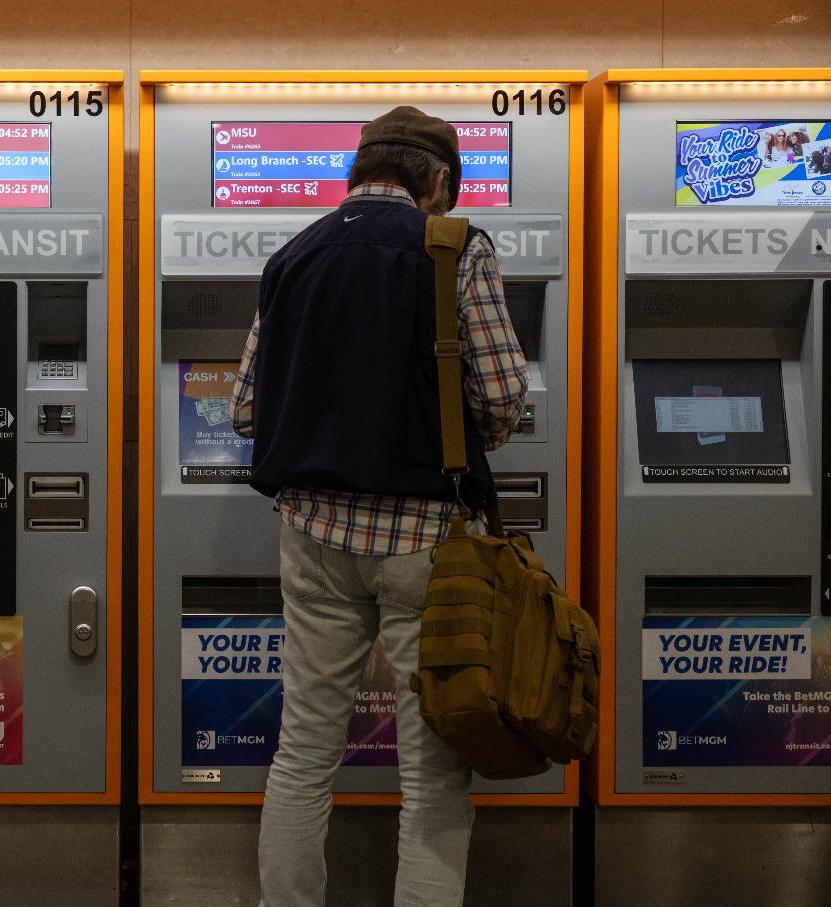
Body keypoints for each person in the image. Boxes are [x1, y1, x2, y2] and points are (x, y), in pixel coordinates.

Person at [233, 106, 529, 907]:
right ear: (436, 181)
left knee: (302, 753)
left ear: (357, 173)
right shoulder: (456, 250)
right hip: (424, 543)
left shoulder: (293, 256)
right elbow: (502, 398)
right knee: (432, 770)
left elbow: (246, 411)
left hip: (313, 536)